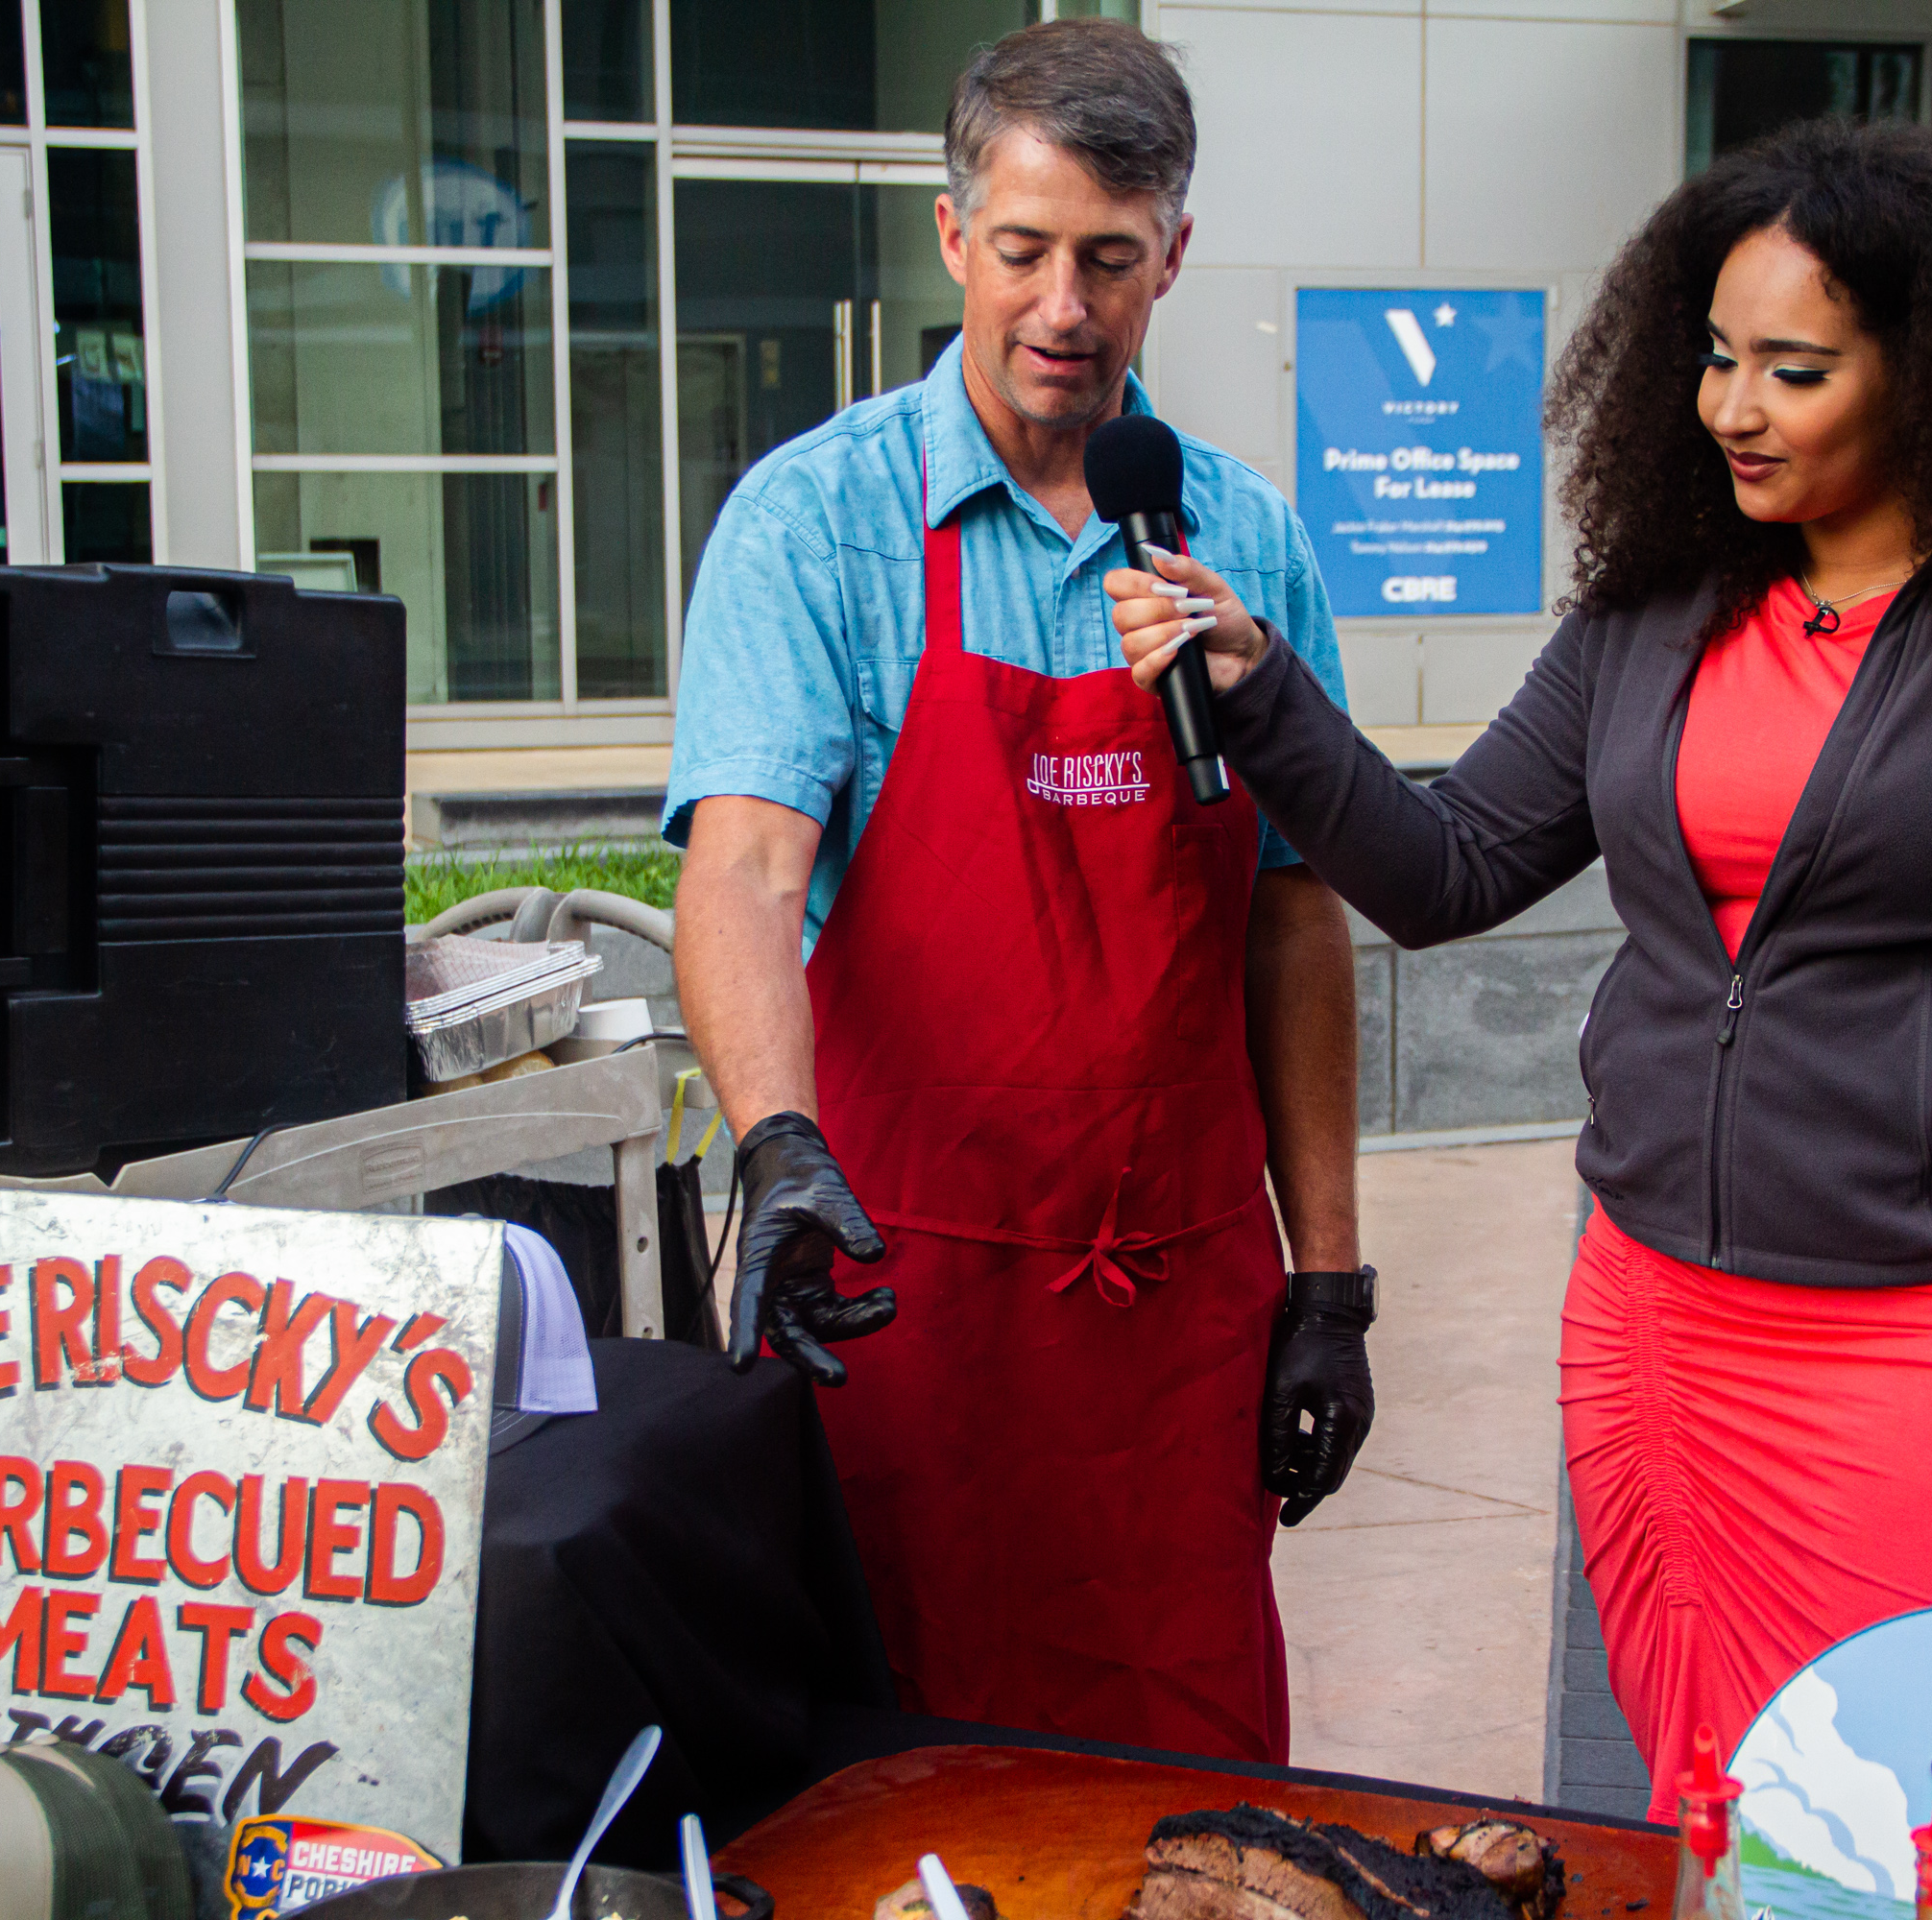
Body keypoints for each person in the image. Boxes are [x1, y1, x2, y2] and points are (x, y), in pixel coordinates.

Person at [1107, 117, 1932, 1813]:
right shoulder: (1657, 615)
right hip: (1659, 1328)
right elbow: (1447, 870)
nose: (1732, 407)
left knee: (1919, 1830)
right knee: (1705, 1808)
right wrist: (1259, 679)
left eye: (1794, 370)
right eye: (1718, 359)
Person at [664, 18, 1371, 1764]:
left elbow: (1294, 911)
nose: (1066, 307)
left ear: (1173, 260)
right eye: (1028, 251)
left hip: (1175, 1317)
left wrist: (1331, 1285)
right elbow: (748, 864)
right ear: (951, 236)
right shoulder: (813, 525)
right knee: (890, 1769)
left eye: (1112, 263)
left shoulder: (1243, 538)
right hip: (900, 1295)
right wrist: (773, 1144)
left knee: (1177, 1777)